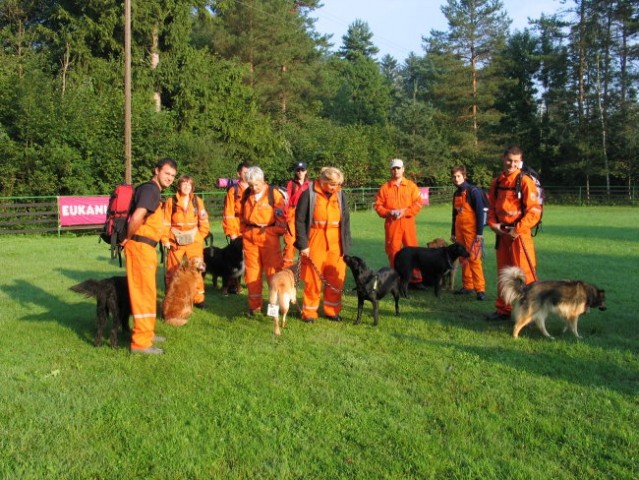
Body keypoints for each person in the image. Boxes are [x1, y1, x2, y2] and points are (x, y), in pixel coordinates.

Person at [123, 157, 177, 355]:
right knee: (142, 294)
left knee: (149, 292)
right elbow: (138, 216)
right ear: (156, 171)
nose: (170, 178)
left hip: (146, 249)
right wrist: (126, 238)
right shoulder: (151, 190)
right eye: (166, 173)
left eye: (172, 175)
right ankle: (140, 343)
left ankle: (147, 333)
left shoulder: (154, 191)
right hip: (140, 247)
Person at [486, 146, 543, 321]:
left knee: (524, 274)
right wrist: (493, 224)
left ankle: (530, 313)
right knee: (504, 274)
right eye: (509, 160)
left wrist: (517, 230)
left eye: (516, 161)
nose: (512, 164)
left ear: (521, 162)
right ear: (503, 159)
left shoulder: (525, 181)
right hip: (502, 234)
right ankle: (503, 309)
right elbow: (492, 208)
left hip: (520, 235)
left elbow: (534, 211)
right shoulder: (497, 182)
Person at [295, 167, 351, 323]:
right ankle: (309, 312)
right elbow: (299, 221)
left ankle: (332, 310)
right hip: (315, 241)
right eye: (332, 184)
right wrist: (303, 244)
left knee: (336, 278)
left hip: (336, 243)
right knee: (313, 279)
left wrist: (346, 246)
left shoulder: (340, 195)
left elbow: (346, 222)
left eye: (338, 184)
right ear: (323, 181)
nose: (335, 188)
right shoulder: (309, 194)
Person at [240, 166, 288, 316]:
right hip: (250, 239)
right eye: (251, 184)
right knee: (252, 274)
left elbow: (281, 222)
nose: (254, 188)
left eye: (256, 184)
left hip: (269, 240)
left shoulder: (274, 194)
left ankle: (275, 308)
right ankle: (254, 307)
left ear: (262, 180)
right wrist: (244, 231)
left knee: (273, 274)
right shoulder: (247, 194)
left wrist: (269, 231)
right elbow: (241, 216)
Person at [161, 175, 210, 308]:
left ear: (192, 187)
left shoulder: (197, 201)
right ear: (179, 186)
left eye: (189, 184)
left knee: (196, 270)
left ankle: (198, 298)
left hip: (194, 241)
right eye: (184, 184)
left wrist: (200, 237)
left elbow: (204, 221)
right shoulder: (171, 202)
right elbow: (165, 222)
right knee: (172, 271)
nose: (186, 186)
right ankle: (171, 296)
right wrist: (165, 239)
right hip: (175, 242)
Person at [374, 158, 424, 287]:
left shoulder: (411, 186)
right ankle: (395, 279)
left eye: (398, 168)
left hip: (407, 223)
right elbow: (378, 206)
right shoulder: (385, 188)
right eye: (394, 168)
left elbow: (418, 203)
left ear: (403, 169)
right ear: (391, 170)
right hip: (392, 224)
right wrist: (388, 212)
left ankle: (416, 280)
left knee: (413, 250)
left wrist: (406, 212)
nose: (396, 170)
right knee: (393, 251)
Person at [450, 165, 486, 301]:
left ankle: (480, 289)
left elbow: (480, 213)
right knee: (462, 259)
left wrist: (480, 232)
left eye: (458, 176)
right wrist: (453, 232)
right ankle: (468, 286)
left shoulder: (473, 191)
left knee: (474, 259)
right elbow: (454, 215)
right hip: (460, 232)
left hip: (472, 232)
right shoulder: (456, 194)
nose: (456, 179)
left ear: (464, 176)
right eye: (454, 177)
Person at [282, 161, 310, 268]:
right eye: (298, 170)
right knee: (290, 243)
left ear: (306, 171)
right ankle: (286, 268)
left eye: (302, 170)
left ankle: (304, 269)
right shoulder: (291, 184)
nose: (300, 172)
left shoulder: (310, 185)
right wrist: (285, 216)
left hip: (306, 214)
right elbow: (287, 200)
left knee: (305, 241)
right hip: (292, 214)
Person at [222, 161, 251, 241]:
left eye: (249, 173)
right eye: (245, 173)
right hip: (237, 230)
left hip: (252, 231)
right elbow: (228, 213)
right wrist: (232, 233)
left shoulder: (255, 189)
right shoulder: (233, 190)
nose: (247, 175)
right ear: (238, 174)